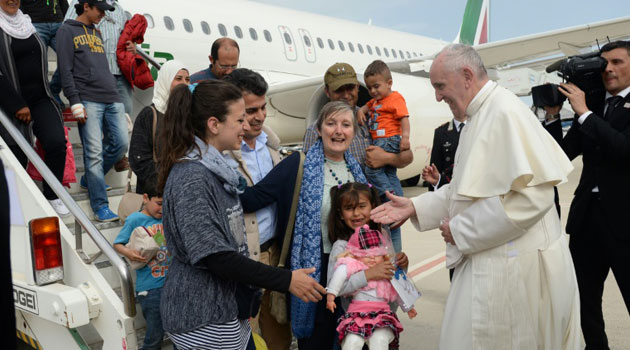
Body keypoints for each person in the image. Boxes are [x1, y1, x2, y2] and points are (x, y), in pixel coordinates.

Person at [370, 44, 581, 349]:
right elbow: (468, 188)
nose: (438, 97)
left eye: (440, 86)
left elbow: (533, 198)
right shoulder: (479, 115)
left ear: (467, 76)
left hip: (516, 269)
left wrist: (460, 229)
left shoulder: (504, 112)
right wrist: (415, 205)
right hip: (496, 260)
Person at [156, 80, 325, 350]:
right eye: (238, 120)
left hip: (223, 310)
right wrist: (287, 280)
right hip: (203, 318)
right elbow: (215, 256)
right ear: (214, 124)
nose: (245, 127)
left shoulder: (213, 169)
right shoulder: (192, 177)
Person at [559, 40, 630, 350]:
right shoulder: (593, 105)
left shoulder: (589, 110)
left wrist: (586, 114)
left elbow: (624, 150)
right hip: (588, 219)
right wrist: (552, 116)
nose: (609, 69)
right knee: (583, 302)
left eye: (617, 62)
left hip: (626, 222)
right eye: (604, 64)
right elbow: (562, 154)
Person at [303, 62, 412, 253]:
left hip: (377, 213)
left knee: (390, 269)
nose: (346, 94)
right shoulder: (317, 131)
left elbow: (407, 156)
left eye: (350, 88)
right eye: (339, 90)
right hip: (339, 220)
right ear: (328, 92)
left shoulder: (372, 118)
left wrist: (386, 158)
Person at [223, 68, 291, 350]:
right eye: (251, 110)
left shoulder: (272, 146)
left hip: (277, 254)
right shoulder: (221, 155)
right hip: (243, 262)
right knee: (246, 338)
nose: (260, 116)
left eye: (263, 107)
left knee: (279, 336)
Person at [57, 0, 128, 222]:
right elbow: (65, 69)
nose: (102, 15)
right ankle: (100, 207)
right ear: (86, 6)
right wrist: (74, 101)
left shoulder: (95, 31)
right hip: (88, 98)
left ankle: (89, 178)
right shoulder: (66, 30)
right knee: (94, 153)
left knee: (121, 143)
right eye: (99, 10)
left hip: (111, 95)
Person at [0, 0, 68, 216]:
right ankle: (15, 206)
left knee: (57, 143)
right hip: (11, 101)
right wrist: (16, 104)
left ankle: (52, 194)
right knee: (16, 152)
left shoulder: (26, 23)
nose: (12, 0)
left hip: (40, 98)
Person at [326, 182, 411, 349]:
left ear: (373, 206)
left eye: (362, 206)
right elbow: (337, 288)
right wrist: (369, 274)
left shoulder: (382, 236)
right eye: (349, 208)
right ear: (340, 214)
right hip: (356, 319)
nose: (356, 213)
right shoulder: (341, 247)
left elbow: (391, 274)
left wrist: (402, 265)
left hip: (384, 314)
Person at [113, 179, 172, 350]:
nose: (162, 209)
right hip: (150, 288)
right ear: (145, 198)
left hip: (171, 284)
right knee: (155, 335)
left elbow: (162, 242)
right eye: (159, 203)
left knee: (177, 331)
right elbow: (118, 244)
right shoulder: (135, 219)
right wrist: (129, 253)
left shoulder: (165, 219)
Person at [129, 59, 189, 195]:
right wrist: (165, 184)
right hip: (154, 197)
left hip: (182, 194)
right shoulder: (149, 115)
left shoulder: (190, 116)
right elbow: (139, 160)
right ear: (165, 81)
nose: (184, 84)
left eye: (187, 79)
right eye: (178, 79)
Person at [357, 60, 410, 198]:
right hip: (381, 140)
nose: (373, 91)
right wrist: (360, 112)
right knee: (389, 173)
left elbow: (404, 118)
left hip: (388, 139)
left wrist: (405, 138)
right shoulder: (375, 101)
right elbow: (365, 107)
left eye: (376, 86)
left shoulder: (395, 98)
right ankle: (398, 197)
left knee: (372, 171)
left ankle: (388, 196)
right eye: (369, 88)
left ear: (389, 83)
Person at [20, 0, 69, 107]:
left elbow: (63, 3)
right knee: (41, 64)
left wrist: (68, 21)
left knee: (70, 58)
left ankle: (53, 90)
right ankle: (45, 97)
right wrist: (23, 21)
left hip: (58, 23)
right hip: (35, 23)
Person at [422, 115, 467, 191]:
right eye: (451, 102)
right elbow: (435, 168)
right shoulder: (441, 132)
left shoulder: (481, 129)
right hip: (449, 190)